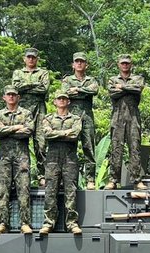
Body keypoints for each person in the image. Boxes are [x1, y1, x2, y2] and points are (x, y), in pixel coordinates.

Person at [0, 86, 35, 235]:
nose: (11, 97)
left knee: (24, 189)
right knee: (3, 190)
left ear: (18, 97)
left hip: (21, 156)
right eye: (8, 95)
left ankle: (25, 223)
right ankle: (3, 223)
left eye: (14, 95)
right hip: (4, 157)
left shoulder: (26, 113)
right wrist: (16, 127)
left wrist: (6, 130)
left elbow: (28, 131)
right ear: (4, 97)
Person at [39, 92, 83, 235]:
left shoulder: (75, 118)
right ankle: (48, 222)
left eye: (64, 98)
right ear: (54, 102)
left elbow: (75, 134)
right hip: (52, 159)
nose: (62, 100)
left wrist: (57, 133)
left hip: (70, 158)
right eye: (59, 98)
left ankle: (72, 223)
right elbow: (47, 134)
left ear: (68, 101)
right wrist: (66, 133)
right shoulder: (48, 118)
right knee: (50, 191)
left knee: (71, 191)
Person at [106, 54, 146, 190]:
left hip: (133, 115)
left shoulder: (138, 78)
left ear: (131, 64)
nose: (125, 65)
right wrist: (128, 88)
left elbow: (138, 89)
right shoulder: (112, 79)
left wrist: (122, 87)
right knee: (116, 148)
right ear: (118, 64)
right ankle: (113, 179)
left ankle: (137, 179)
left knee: (135, 148)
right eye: (122, 63)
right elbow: (112, 93)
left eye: (127, 63)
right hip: (117, 116)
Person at [11, 47, 50, 187]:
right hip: (22, 111)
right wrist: (33, 84)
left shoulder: (43, 72)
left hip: (39, 109)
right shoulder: (18, 72)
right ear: (24, 58)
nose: (31, 59)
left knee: (41, 143)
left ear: (37, 59)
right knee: (21, 142)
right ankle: (20, 175)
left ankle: (42, 175)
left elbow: (44, 89)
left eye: (33, 57)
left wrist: (25, 86)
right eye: (28, 57)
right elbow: (16, 88)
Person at [61, 52, 100, 190]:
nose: (79, 63)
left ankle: (90, 179)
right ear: (73, 64)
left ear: (86, 65)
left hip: (87, 115)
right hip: (72, 116)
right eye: (76, 61)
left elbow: (94, 90)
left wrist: (77, 89)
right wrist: (84, 92)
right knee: (69, 147)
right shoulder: (67, 80)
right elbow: (65, 93)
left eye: (82, 61)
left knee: (88, 147)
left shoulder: (91, 80)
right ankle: (68, 178)